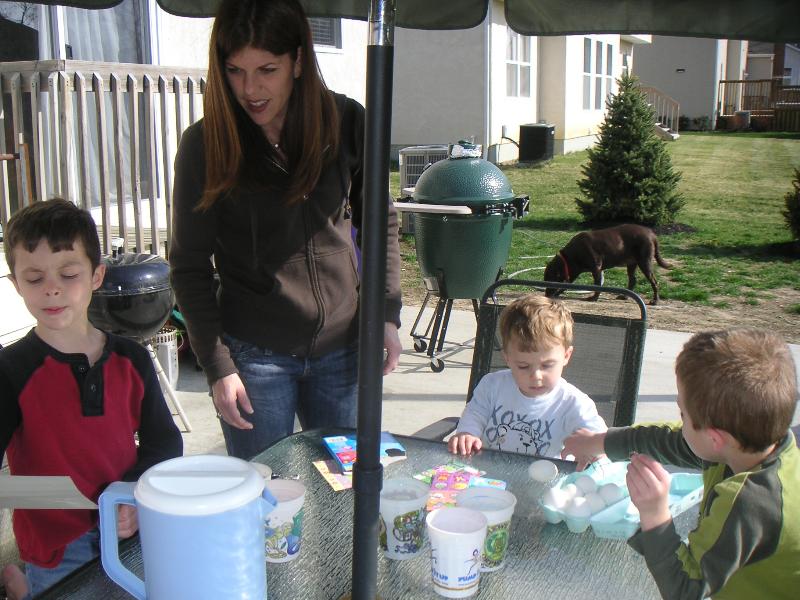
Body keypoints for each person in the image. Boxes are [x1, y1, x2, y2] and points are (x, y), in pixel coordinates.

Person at [169, 0, 402, 460]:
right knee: (265, 492)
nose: (249, 89)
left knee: (345, 486)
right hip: (254, 357)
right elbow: (189, 265)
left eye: (267, 70)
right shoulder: (204, 145)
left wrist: (386, 314)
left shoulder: (347, 121)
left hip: (345, 349)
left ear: (297, 61)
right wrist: (217, 366)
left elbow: (380, 222)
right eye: (235, 71)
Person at [0, 199, 183, 600]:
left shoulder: (132, 359)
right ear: (15, 285)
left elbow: (165, 442)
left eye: (68, 274)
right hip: (56, 546)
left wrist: (133, 493)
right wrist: (53, 501)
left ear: (97, 275)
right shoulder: (10, 370)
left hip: (127, 530)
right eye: (34, 278)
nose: (52, 288)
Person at [562, 328, 800, 599]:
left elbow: (686, 590)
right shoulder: (752, 444)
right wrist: (598, 442)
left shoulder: (749, 502)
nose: (680, 422)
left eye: (683, 415)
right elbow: (667, 440)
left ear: (714, 438)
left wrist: (654, 515)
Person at [448, 295, 606, 458]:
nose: (536, 376)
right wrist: (468, 433)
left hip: (546, 474)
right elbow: (475, 413)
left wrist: (595, 450)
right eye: (523, 366)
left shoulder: (573, 403)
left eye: (547, 365)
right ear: (507, 358)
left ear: (566, 356)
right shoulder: (492, 386)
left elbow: (599, 441)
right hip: (487, 471)